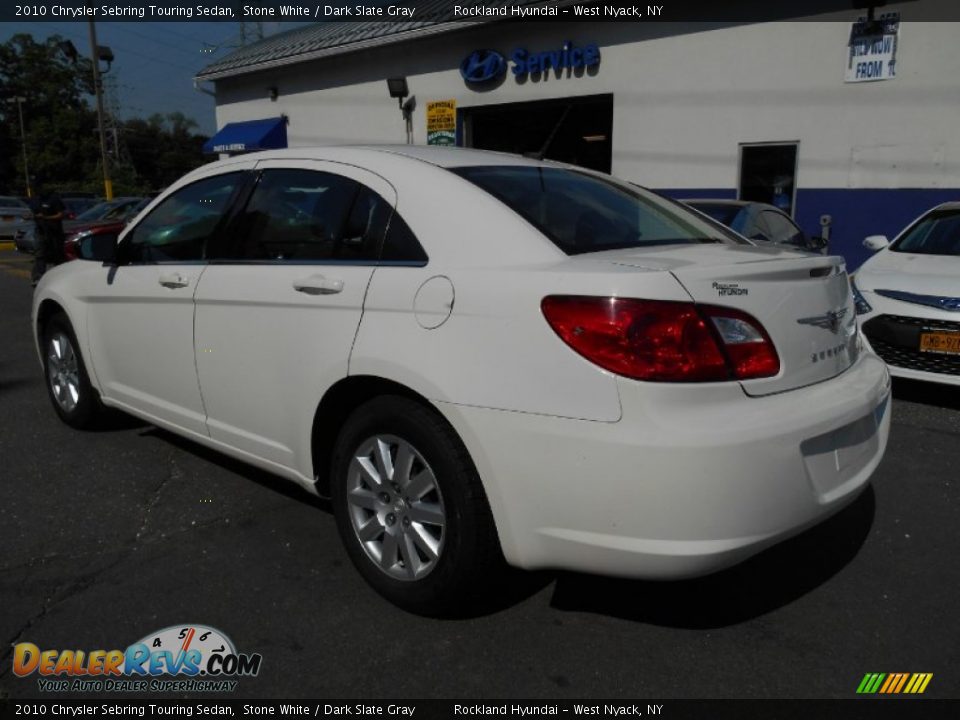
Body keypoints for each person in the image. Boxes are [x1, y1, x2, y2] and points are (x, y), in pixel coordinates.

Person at [30, 180, 66, 287]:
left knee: (57, 254)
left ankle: (61, 276)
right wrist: (30, 216)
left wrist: (46, 217)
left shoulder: (54, 199)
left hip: (54, 231)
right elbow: (33, 212)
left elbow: (61, 214)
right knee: (40, 254)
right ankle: (38, 277)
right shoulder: (35, 200)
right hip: (40, 231)